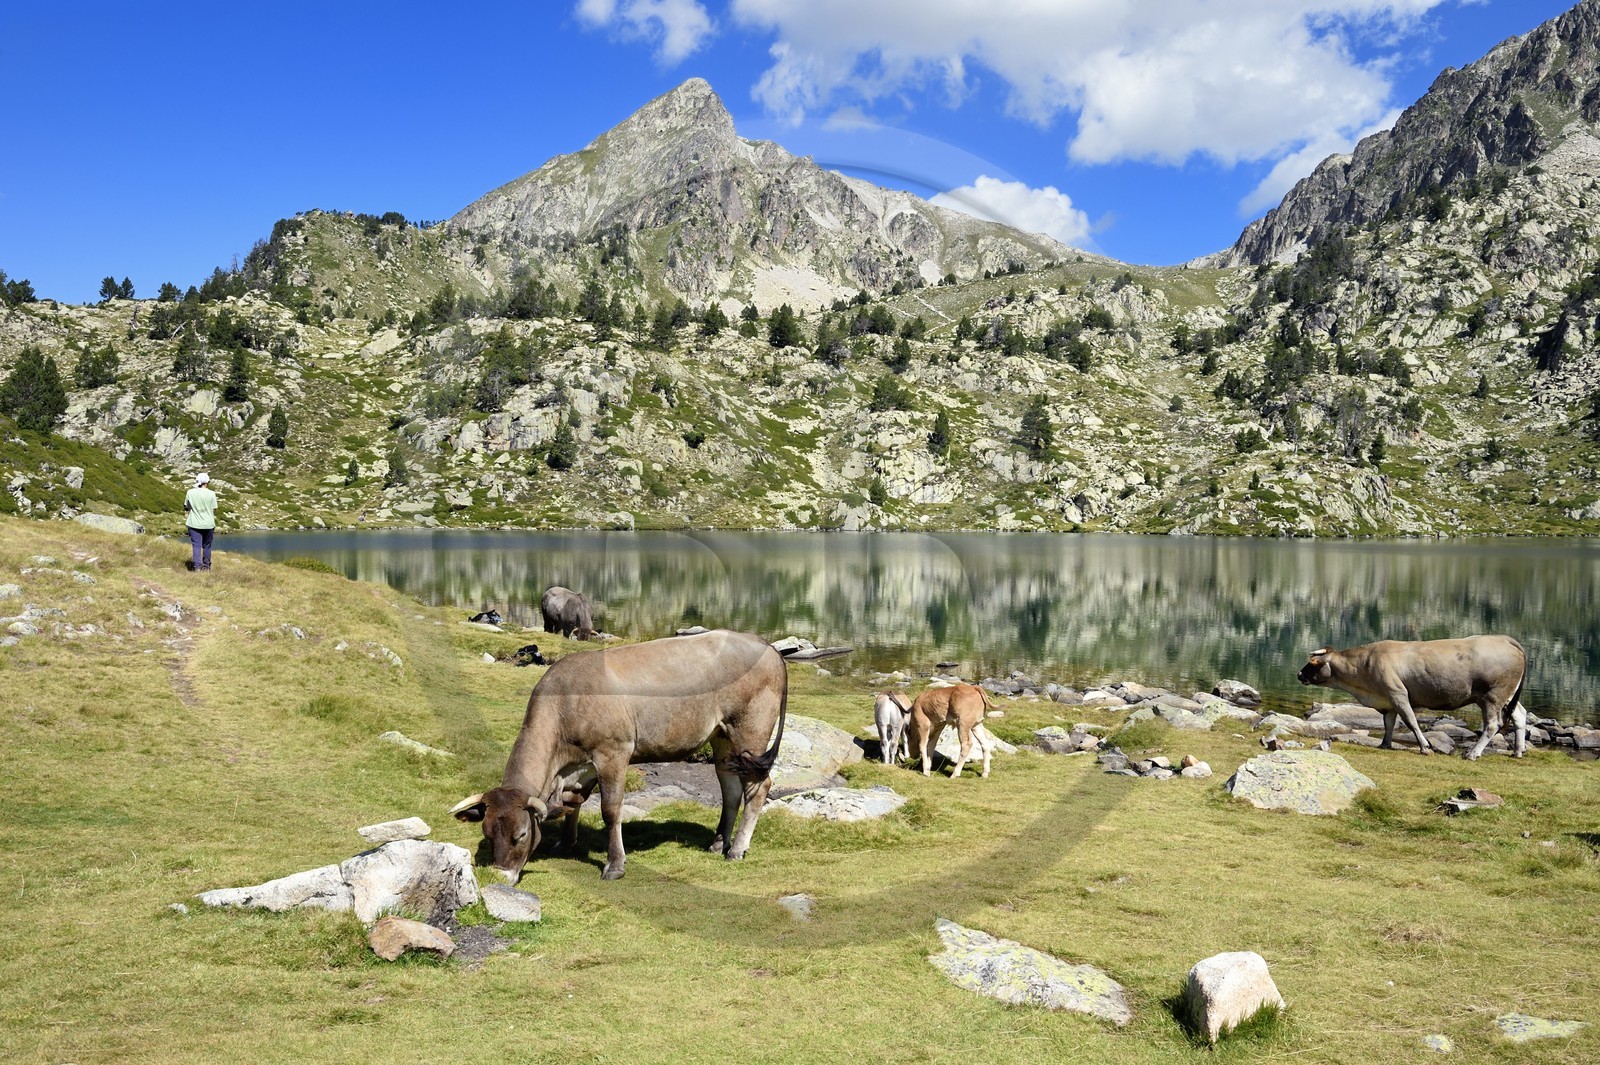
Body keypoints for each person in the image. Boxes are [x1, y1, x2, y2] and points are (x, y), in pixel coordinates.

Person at [184, 472, 218, 571]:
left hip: (194, 523)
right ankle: (207, 566)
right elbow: (214, 509)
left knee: (196, 545)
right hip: (208, 524)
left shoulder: (190, 492)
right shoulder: (212, 493)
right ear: (208, 482)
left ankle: (197, 567)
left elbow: (187, 506)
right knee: (207, 546)